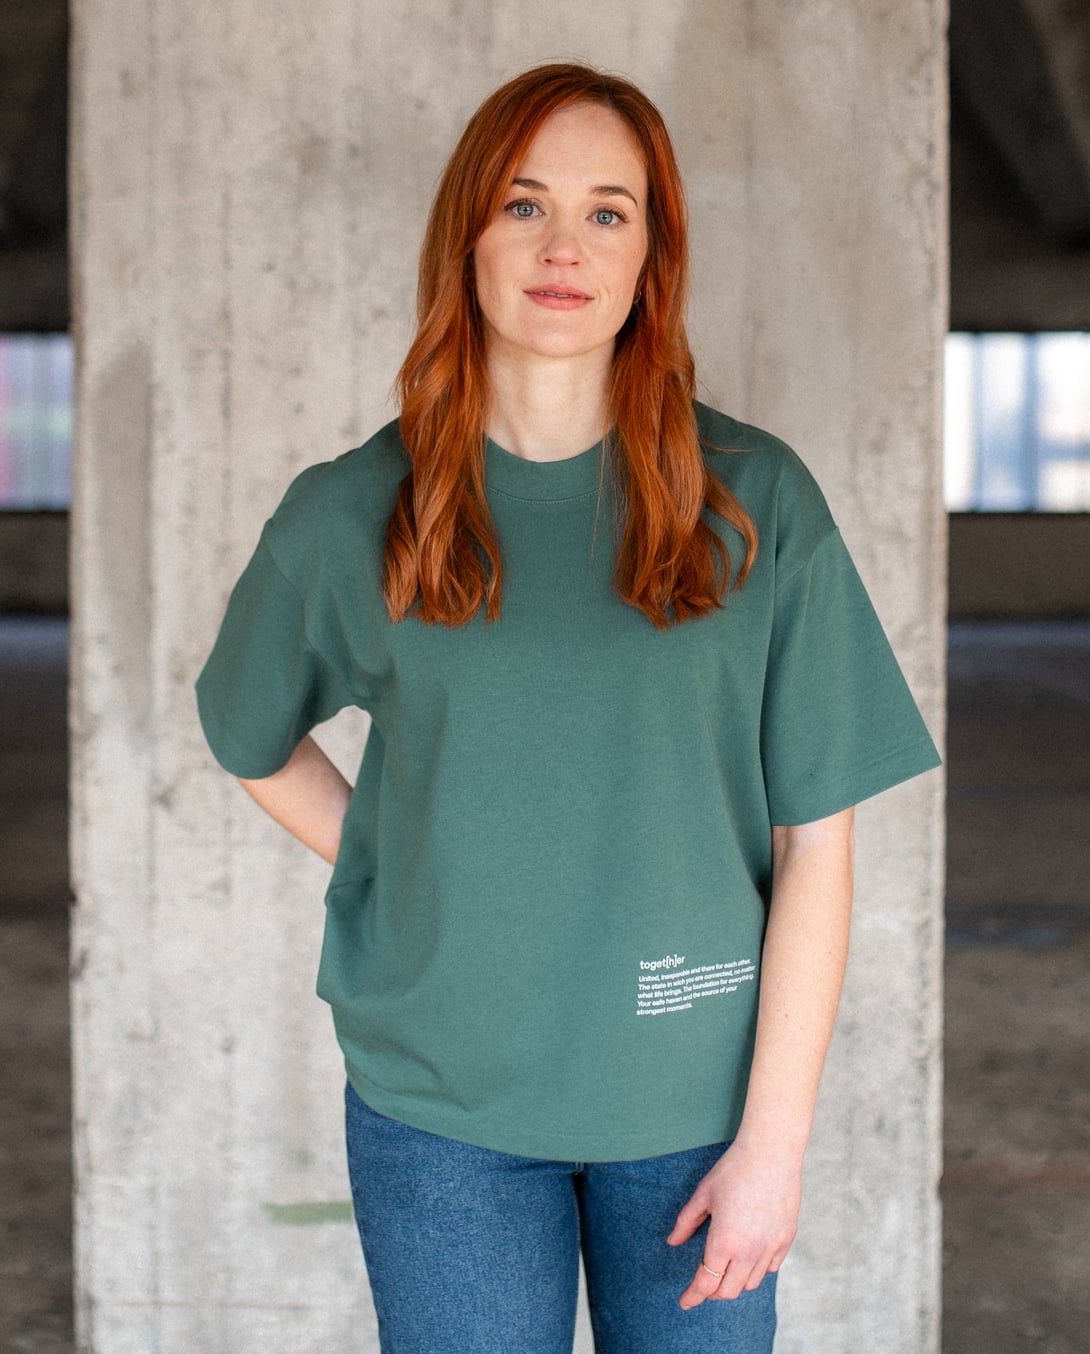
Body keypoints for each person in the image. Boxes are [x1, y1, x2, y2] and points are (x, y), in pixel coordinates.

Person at [196, 62, 940, 1354]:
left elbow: (816, 838)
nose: (562, 245)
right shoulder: (348, 515)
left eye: (608, 211)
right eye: (523, 203)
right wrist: (392, 859)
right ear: (467, 236)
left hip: (696, 1109)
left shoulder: (757, 503)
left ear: (651, 255)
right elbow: (245, 732)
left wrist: (773, 1144)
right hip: (443, 1117)